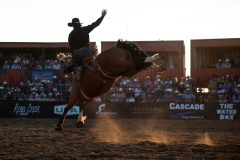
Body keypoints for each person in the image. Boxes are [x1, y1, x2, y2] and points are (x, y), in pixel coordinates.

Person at [64, 9, 107, 73]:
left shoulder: (71, 34)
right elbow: (95, 24)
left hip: (78, 53)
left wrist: (73, 57)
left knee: (74, 67)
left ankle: (77, 72)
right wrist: (102, 16)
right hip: (88, 51)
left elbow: (71, 48)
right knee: (94, 60)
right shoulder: (85, 29)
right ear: (79, 24)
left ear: (72, 25)